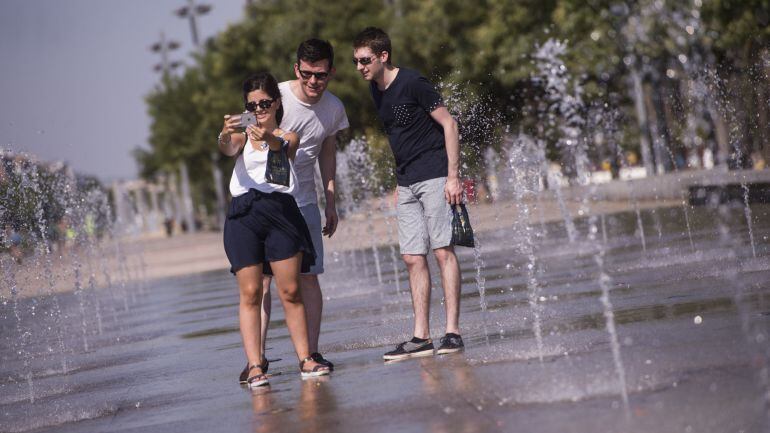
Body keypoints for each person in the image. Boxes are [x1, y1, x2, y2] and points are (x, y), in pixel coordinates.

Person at [353, 27, 465, 360]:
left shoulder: (413, 83)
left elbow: (449, 124)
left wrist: (453, 176)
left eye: (365, 60)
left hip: (435, 176)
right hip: (406, 183)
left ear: (383, 56)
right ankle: (421, 336)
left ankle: (453, 332)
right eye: (356, 61)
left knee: (443, 251)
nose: (359, 67)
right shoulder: (376, 89)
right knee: (412, 257)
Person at [218, 72, 330, 387]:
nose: (259, 109)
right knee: (251, 292)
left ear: (277, 103)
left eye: (264, 103)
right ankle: (255, 365)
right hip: (244, 215)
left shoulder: (287, 134)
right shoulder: (242, 138)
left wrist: (266, 136)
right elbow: (228, 149)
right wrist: (225, 135)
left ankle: (306, 359)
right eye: (252, 105)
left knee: (290, 290)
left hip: (281, 212)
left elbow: (283, 147)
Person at [255, 39, 349, 376]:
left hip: (306, 202)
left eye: (321, 76)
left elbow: (327, 152)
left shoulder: (334, 108)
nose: (313, 82)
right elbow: (246, 136)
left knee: (309, 279)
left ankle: (310, 353)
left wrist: (331, 201)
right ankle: (257, 360)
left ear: (331, 73)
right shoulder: (274, 97)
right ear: (296, 69)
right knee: (264, 282)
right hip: (268, 202)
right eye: (307, 74)